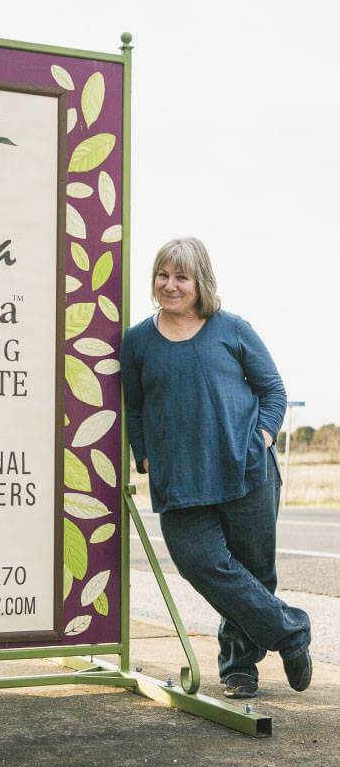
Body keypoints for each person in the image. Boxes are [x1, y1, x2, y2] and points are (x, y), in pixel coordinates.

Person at [120, 237, 312, 699]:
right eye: (163, 275)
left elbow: (274, 392)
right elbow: (135, 406)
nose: (170, 285)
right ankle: (290, 631)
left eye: (181, 277)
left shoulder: (232, 329)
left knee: (252, 571)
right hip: (180, 480)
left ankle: (239, 667)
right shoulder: (139, 341)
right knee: (199, 561)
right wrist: (143, 453)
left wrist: (261, 439)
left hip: (245, 471)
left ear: (199, 280)